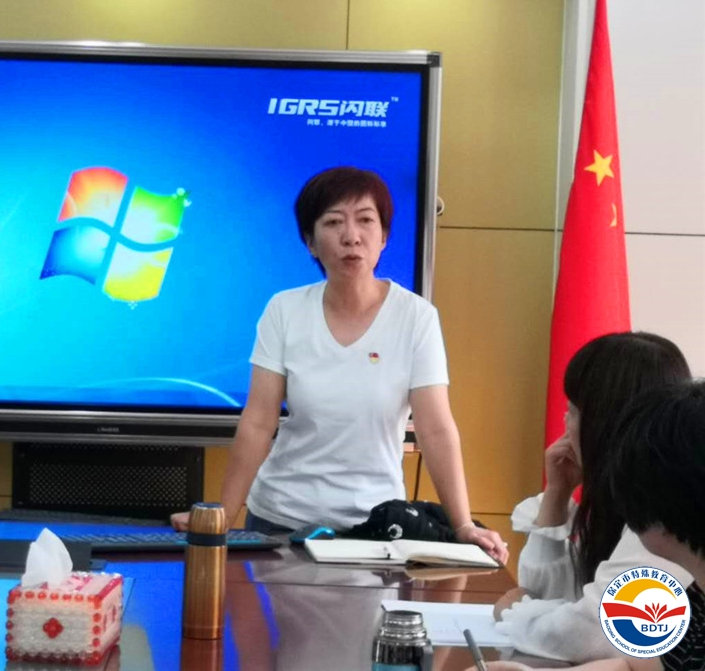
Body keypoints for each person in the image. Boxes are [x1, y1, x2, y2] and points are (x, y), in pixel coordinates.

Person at [171, 165, 507, 563]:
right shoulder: (284, 310)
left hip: (376, 527)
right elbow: (258, 421)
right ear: (310, 242)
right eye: (333, 222)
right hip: (280, 520)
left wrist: (463, 524)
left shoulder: (416, 317)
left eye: (365, 220)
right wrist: (223, 516)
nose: (351, 236)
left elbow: (435, 429)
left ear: (384, 237)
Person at [471, 379, 705, 671]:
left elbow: (598, 631)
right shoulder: (697, 599)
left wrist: (517, 613)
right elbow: (635, 666)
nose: (565, 423)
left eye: (573, 411)